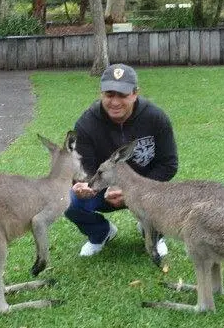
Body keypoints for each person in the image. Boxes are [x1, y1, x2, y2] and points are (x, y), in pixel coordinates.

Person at [65, 63, 178, 257]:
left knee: (168, 196)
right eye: (109, 94)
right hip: (102, 190)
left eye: (122, 95)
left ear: (135, 94)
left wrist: (133, 190)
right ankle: (101, 233)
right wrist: (84, 186)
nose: (115, 102)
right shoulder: (86, 124)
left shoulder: (155, 118)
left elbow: (168, 164)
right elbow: (84, 169)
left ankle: (152, 231)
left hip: (144, 188)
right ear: (101, 93)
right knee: (68, 201)